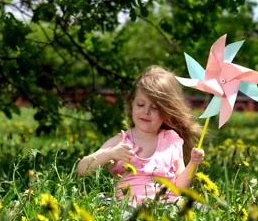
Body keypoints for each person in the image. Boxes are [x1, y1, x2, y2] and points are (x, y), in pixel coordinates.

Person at [76, 65, 205, 205]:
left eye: (154, 108)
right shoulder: (122, 141)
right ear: (132, 105)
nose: (146, 112)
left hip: (165, 205)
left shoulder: (171, 140)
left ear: (166, 111)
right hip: (127, 205)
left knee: (199, 208)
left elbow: (179, 188)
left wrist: (193, 163)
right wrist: (110, 154)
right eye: (140, 105)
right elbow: (82, 169)